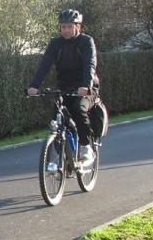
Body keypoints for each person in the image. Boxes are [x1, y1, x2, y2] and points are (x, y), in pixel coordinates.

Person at [27, 9, 99, 167]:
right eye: (63, 27)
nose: (66, 30)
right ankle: (63, 158)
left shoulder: (86, 42)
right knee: (56, 120)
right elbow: (45, 64)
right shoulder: (55, 43)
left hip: (85, 89)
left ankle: (86, 147)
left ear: (77, 27)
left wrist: (86, 85)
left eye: (69, 26)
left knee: (79, 109)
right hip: (64, 88)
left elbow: (90, 64)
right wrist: (34, 85)